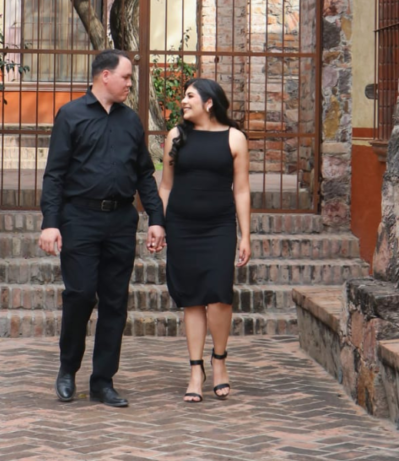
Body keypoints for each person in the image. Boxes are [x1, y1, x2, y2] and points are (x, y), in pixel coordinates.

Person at [39, 49, 166, 408]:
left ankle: (103, 381)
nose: (130, 84)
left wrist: (156, 218)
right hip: (80, 218)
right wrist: (50, 223)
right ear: (105, 76)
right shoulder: (71, 115)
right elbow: (54, 175)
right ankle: (68, 369)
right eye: (126, 77)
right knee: (80, 294)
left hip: (120, 220)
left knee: (115, 301)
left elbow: (144, 174)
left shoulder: (131, 121)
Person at [157, 78, 251, 403]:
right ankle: (196, 370)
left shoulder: (234, 138)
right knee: (193, 298)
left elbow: (241, 190)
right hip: (182, 226)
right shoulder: (176, 136)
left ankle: (219, 361)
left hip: (219, 227)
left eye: (190, 96)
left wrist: (245, 235)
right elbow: (166, 186)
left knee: (220, 296)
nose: (183, 101)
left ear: (209, 103)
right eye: (184, 96)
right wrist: (159, 225)